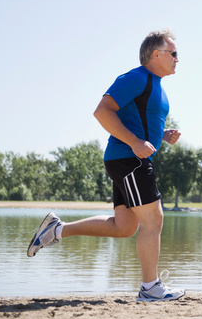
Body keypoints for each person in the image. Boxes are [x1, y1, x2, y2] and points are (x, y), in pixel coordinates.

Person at [27, 28, 185, 302]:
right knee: (154, 219)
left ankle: (57, 229)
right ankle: (150, 288)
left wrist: (162, 134)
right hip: (130, 159)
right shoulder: (137, 77)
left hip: (126, 159)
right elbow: (102, 111)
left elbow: (138, 119)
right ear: (156, 54)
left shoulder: (156, 87)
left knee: (124, 227)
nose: (177, 59)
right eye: (174, 53)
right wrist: (136, 142)